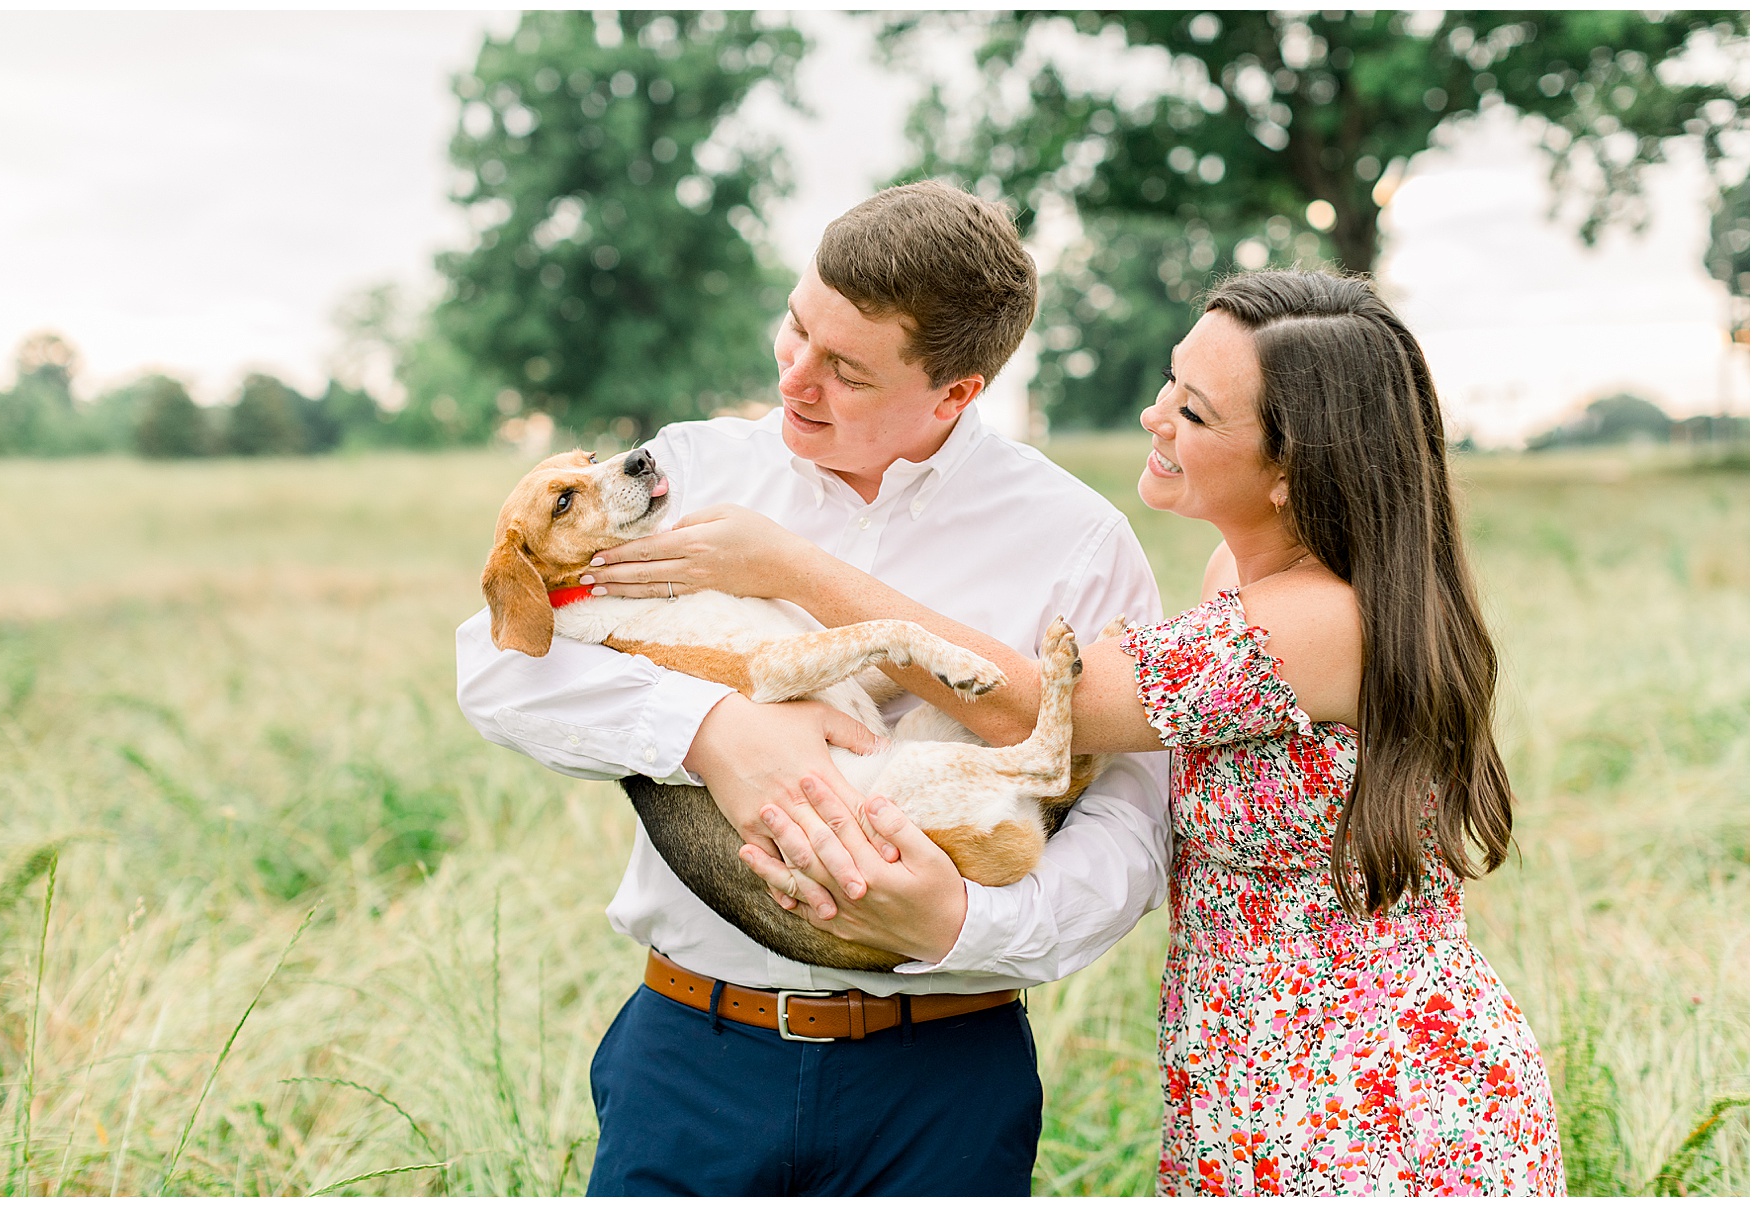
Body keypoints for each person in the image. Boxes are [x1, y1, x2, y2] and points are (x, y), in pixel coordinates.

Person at [596, 270, 1566, 1194]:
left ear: (1291, 469)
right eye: (1170, 383)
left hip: (1370, 1086)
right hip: (1250, 1059)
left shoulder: (1313, 622)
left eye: (1194, 411)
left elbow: (1036, 710)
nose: (1156, 416)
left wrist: (792, 570)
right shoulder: (1238, 575)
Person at [454, 180, 1173, 1196]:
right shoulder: (688, 471)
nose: (796, 379)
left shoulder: (1074, 539)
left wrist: (965, 928)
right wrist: (713, 729)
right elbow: (494, 663)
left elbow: (1136, 818)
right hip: (694, 1048)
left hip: (944, 1076)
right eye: (796, 329)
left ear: (956, 392)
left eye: (845, 368)